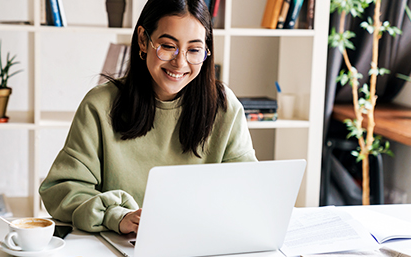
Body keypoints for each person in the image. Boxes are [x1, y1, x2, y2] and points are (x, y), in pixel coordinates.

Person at [39, 0, 257, 235]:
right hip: (120, 245)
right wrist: (116, 216)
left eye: (194, 50)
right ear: (143, 40)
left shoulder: (225, 107)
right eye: (167, 46)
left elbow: (247, 191)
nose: (180, 62)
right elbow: (61, 189)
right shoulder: (100, 105)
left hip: (200, 240)